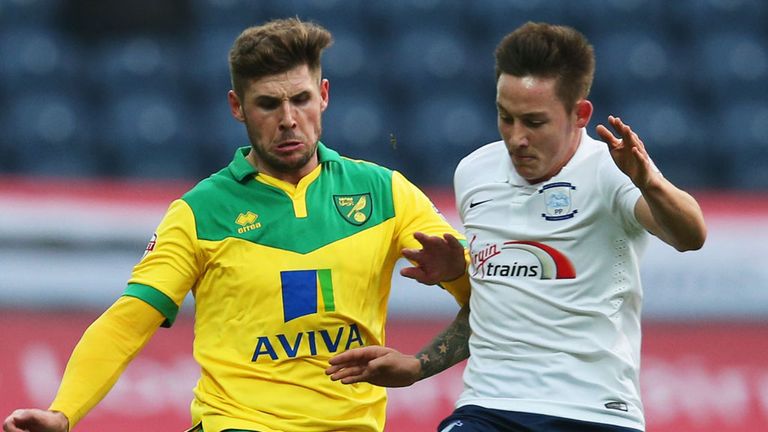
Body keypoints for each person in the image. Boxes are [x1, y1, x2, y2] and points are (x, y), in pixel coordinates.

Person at [2, 18, 470, 432]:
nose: (289, 120)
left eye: (301, 99)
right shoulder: (200, 212)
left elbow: (492, 307)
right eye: (268, 104)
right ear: (236, 107)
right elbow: (128, 322)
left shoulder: (384, 193)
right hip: (239, 424)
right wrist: (64, 412)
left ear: (323, 96)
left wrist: (456, 279)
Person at [326, 21, 707, 432]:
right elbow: (489, 312)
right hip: (489, 406)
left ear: (579, 114)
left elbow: (690, 236)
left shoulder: (609, 172)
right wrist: (419, 365)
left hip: (593, 411)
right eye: (505, 118)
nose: (516, 137)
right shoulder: (475, 173)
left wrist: (649, 181)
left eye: (534, 122)